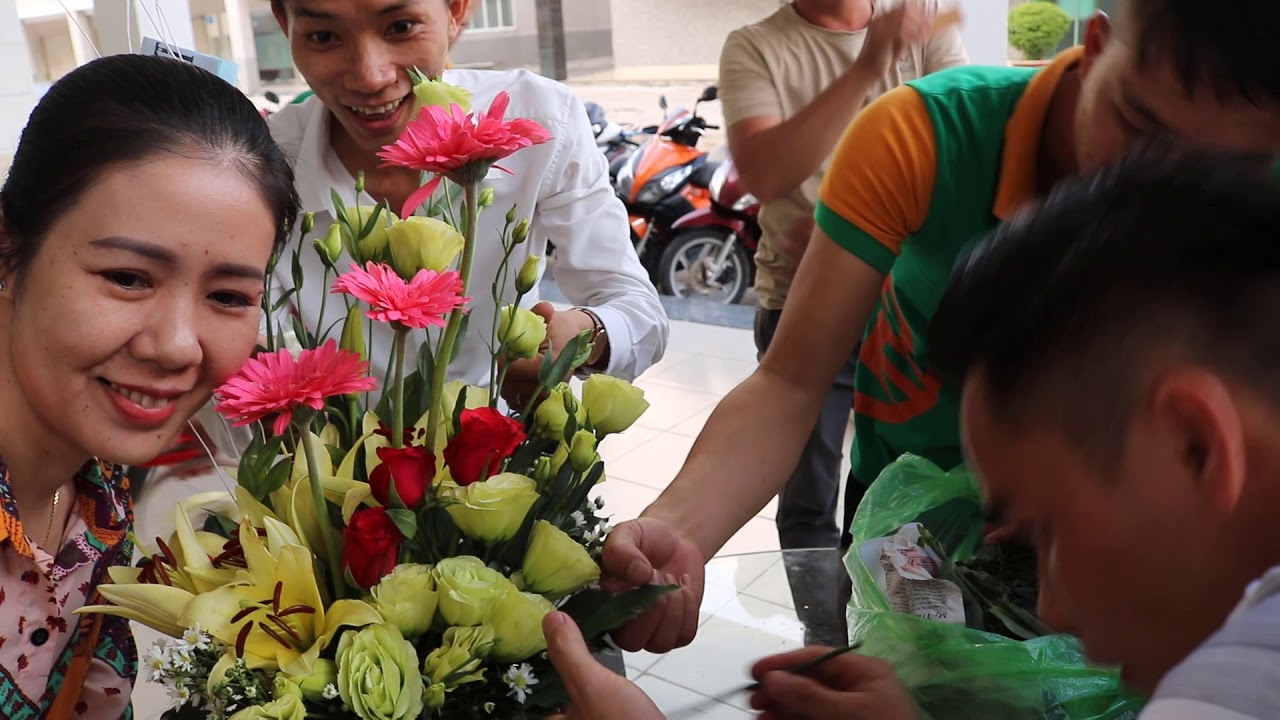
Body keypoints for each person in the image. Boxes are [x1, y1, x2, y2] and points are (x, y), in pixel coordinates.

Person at [592, 0, 1280, 656]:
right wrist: (680, 529)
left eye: (1225, 176)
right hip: (905, 541)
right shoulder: (923, 136)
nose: (1161, 198)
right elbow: (792, 381)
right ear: (1095, 48)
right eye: (1137, 127)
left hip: (1135, 566)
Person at [545, 144, 1280, 719]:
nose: (1051, 610)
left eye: (1050, 529)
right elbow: (790, 379)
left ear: (1193, 444)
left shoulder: (1238, 686)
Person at [0, 54, 298, 718]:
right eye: (128, 278)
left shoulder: (99, 497)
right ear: (7, 247)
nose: (177, 345)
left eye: (228, 296)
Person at [265, 0, 668, 402]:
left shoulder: (542, 121)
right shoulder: (262, 162)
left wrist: (581, 336)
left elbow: (638, 312)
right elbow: (252, 342)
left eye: (401, 27)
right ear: (285, 24)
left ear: (456, 11)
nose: (370, 77)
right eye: (323, 36)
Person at [721, 0, 967, 555]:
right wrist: (867, 66)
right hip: (801, 301)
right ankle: (824, 613)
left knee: (912, 489)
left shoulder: (924, 23)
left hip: (910, 303)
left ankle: (883, 610)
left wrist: (854, 230)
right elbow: (767, 173)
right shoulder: (756, 46)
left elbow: (959, 152)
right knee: (808, 501)